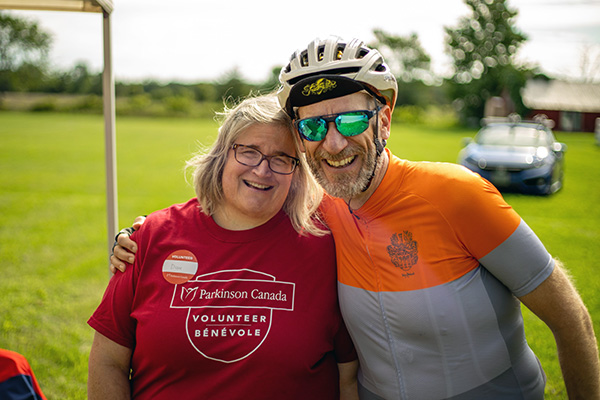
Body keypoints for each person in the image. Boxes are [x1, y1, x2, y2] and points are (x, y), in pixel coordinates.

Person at [112, 37, 600, 399]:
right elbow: (229, 211)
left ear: (383, 119)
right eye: (313, 126)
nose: (334, 143)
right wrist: (141, 235)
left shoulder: (458, 194)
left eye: (349, 120)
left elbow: (572, 320)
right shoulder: (316, 209)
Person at [88, 94, 359, 399]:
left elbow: (347, 375)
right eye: (248, 151)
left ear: (298, 172)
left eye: (281, 158)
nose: (262, 170)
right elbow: (107, 360)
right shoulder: (152, 236)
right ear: (222, 155)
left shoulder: (325, 248)